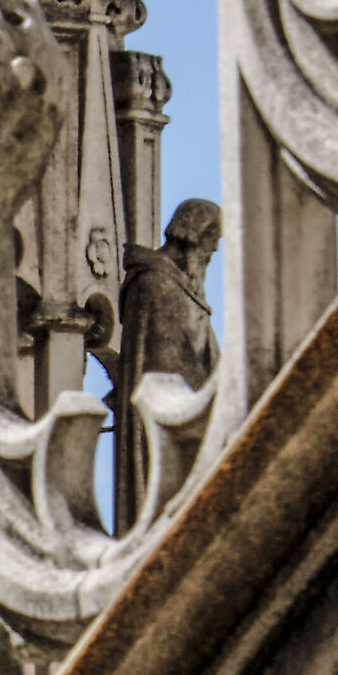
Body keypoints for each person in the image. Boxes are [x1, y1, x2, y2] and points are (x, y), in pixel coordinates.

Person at [116, 198, 222, 528]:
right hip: (165, 425)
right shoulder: (154, 285)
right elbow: (166, 367)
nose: (210, 255)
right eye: (210, 246)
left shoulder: (181, 287)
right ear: (192, 238)